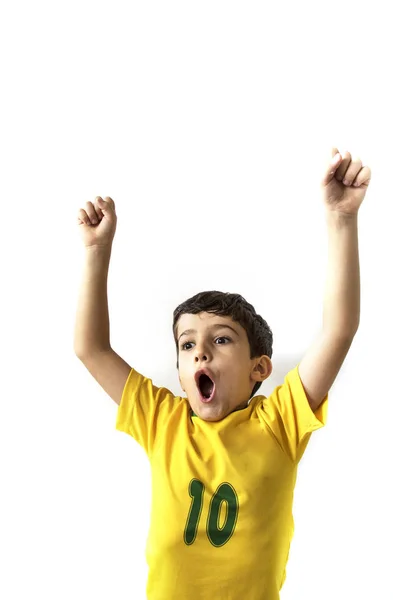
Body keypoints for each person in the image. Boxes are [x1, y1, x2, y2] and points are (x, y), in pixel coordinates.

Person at [74, 148, 371, 599]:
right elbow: (90, 348)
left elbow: (339, 329)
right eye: (188, 344)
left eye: (221, 339)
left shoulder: (280, 424)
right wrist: (97, 250)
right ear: (180, 373)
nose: (201, 354)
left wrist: (341, 220)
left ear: (260, 369)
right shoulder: (162, 423)